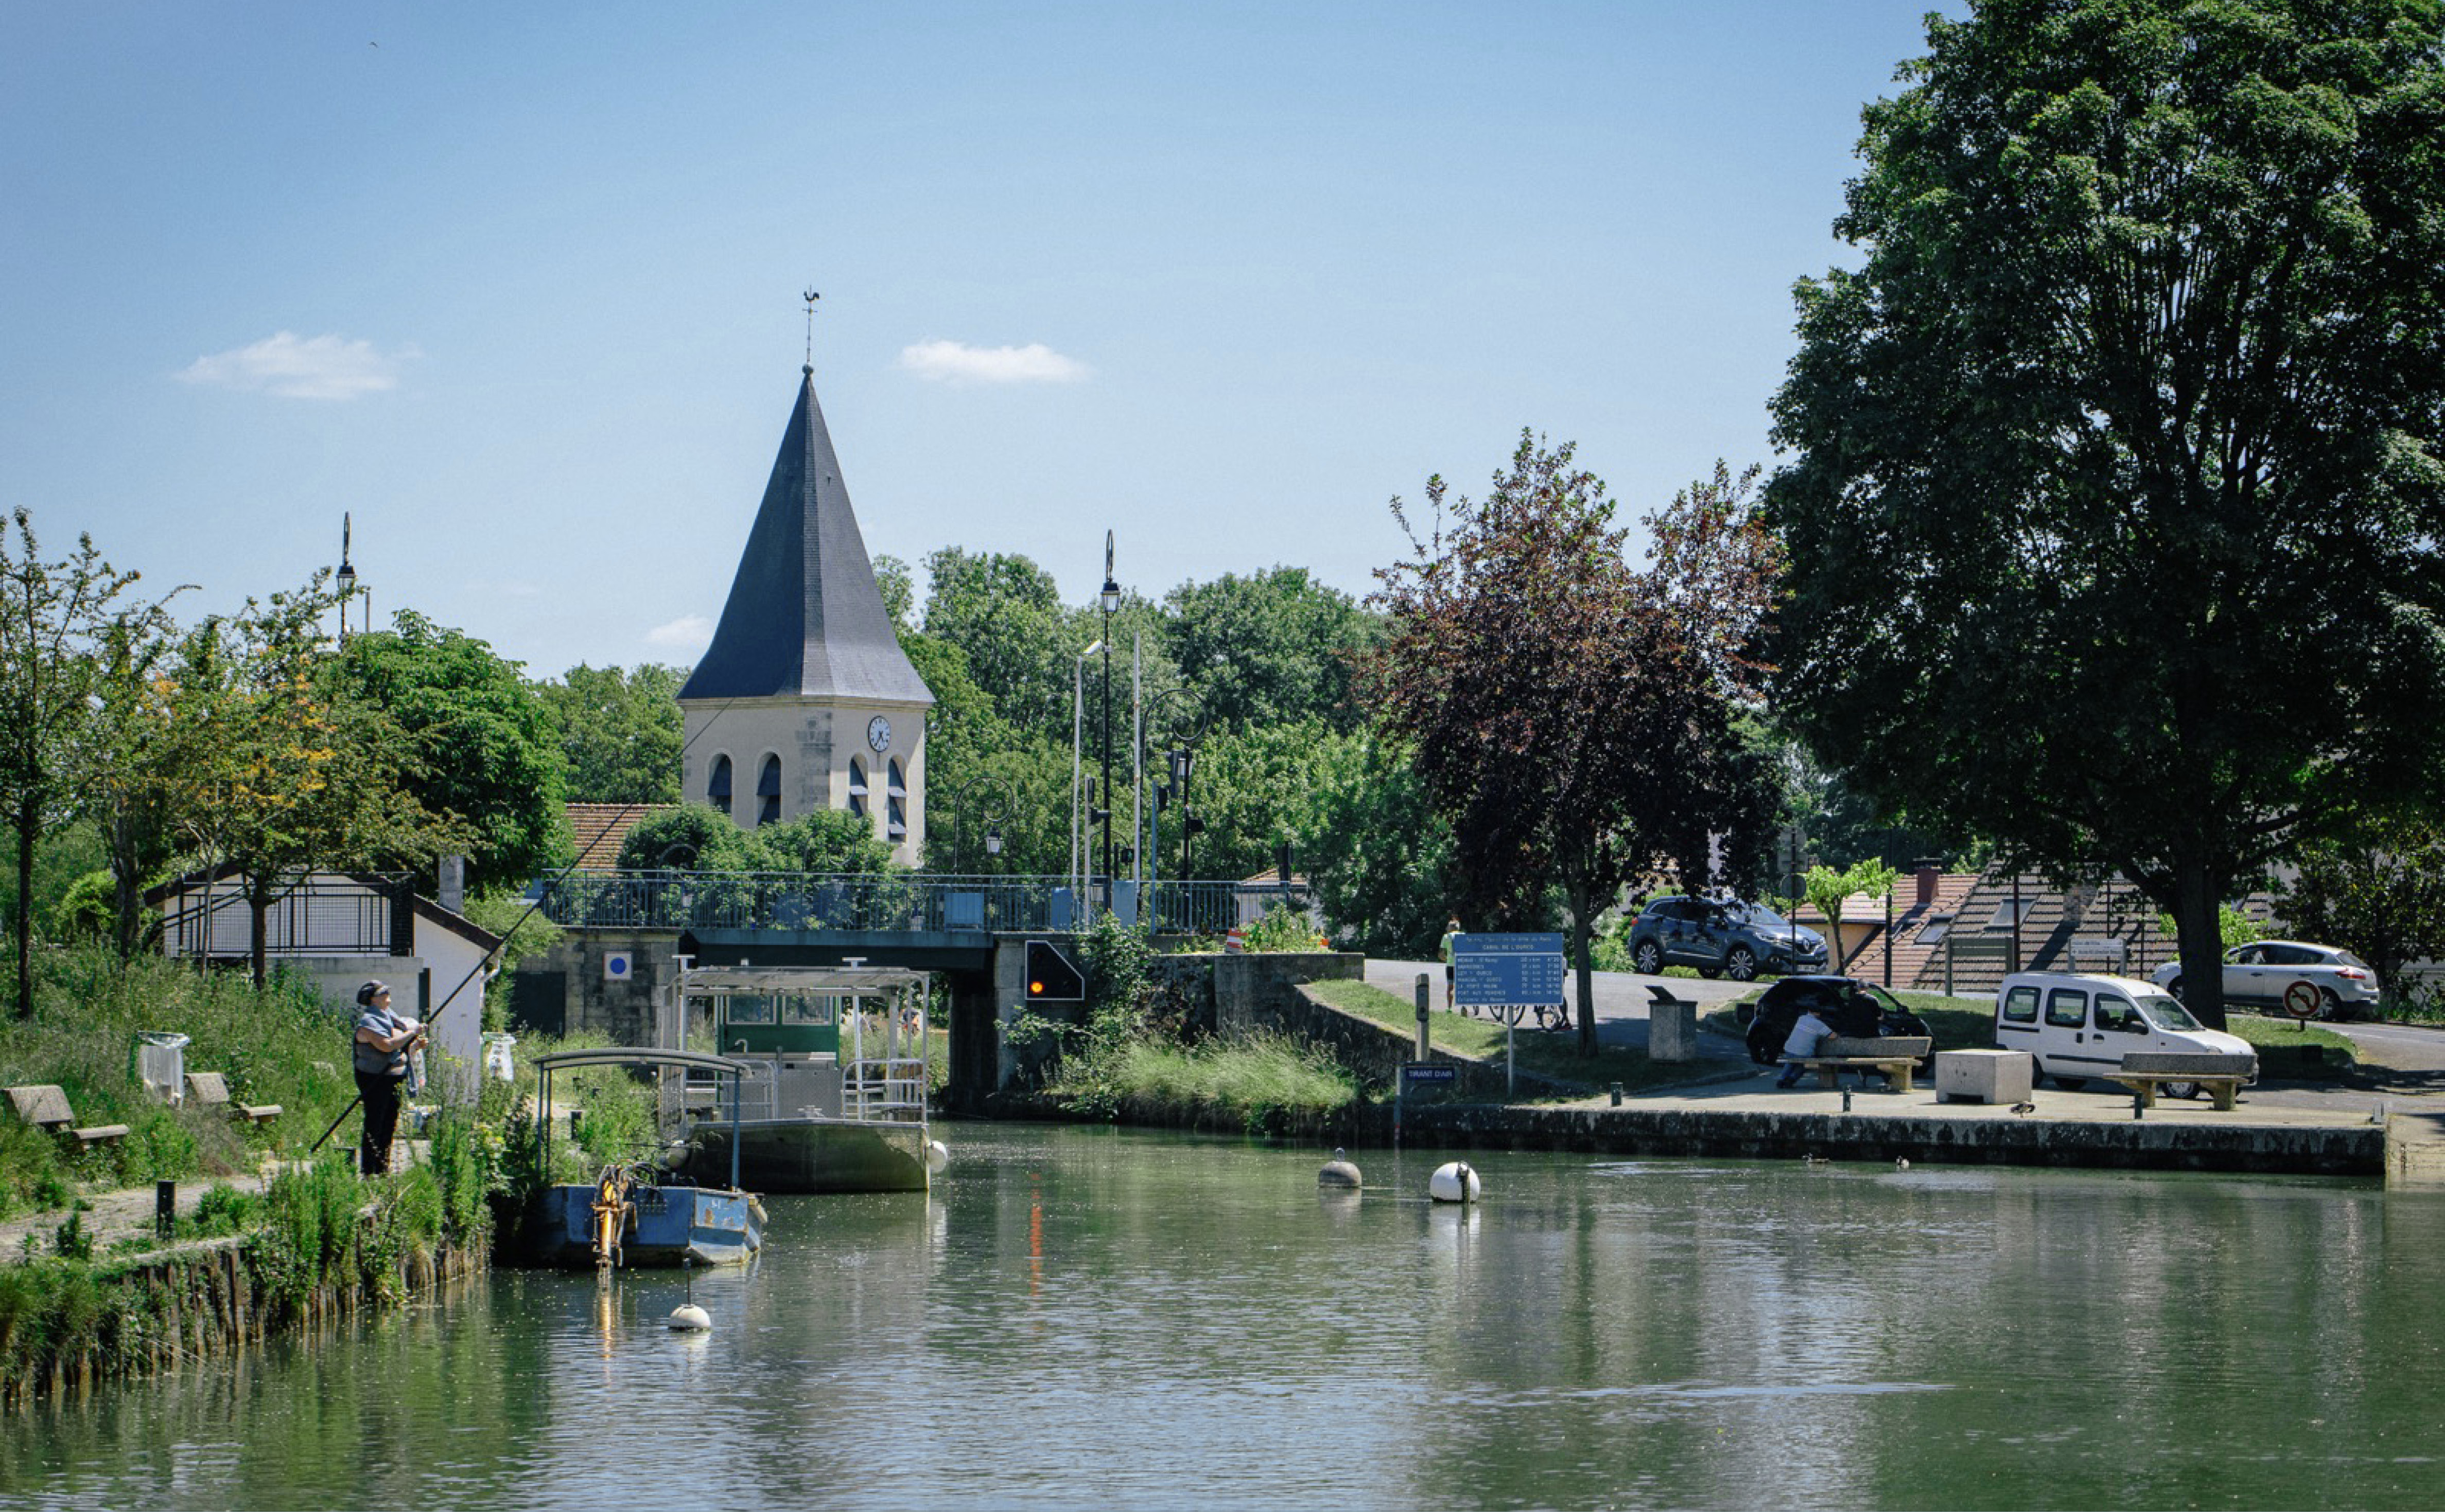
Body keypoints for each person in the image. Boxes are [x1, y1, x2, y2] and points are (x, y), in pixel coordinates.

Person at [353, 980, 425, 1175]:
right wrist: (412, 1033)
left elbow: (400, 1049)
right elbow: (387, 1046)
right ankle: (369, 1170)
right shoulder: (368, 1023)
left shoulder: (393, 1020)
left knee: (389, 1123)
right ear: (373, 999)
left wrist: (415, 1046)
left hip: (395, 1077)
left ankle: (383, 1168)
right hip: (375, 1078)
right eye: (383, 993)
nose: (388, 996)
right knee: (375, 1123)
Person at [1774, 1005, 1835, 1089]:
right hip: (1804, 1053)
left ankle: (1781, 1080)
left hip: (1789, 1049)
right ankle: (1791, 1080)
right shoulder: (1819, 1024)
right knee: (1805, 1064)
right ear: (1819, 1014)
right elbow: (1832, 1036)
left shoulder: (1801, 1018)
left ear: (1809, 1011)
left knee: (1791, 1062)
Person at [1439, 917, 1463, 1011]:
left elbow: (1441, 954)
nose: (1447, 928)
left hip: (1450, 965)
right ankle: (1463, 1008)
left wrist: (1447, 959)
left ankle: (1449, 1008)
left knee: (1450, 987)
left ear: (1452, 927)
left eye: (1448, 926)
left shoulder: (1446, 937)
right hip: (1462, 965)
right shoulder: (1464, 935)